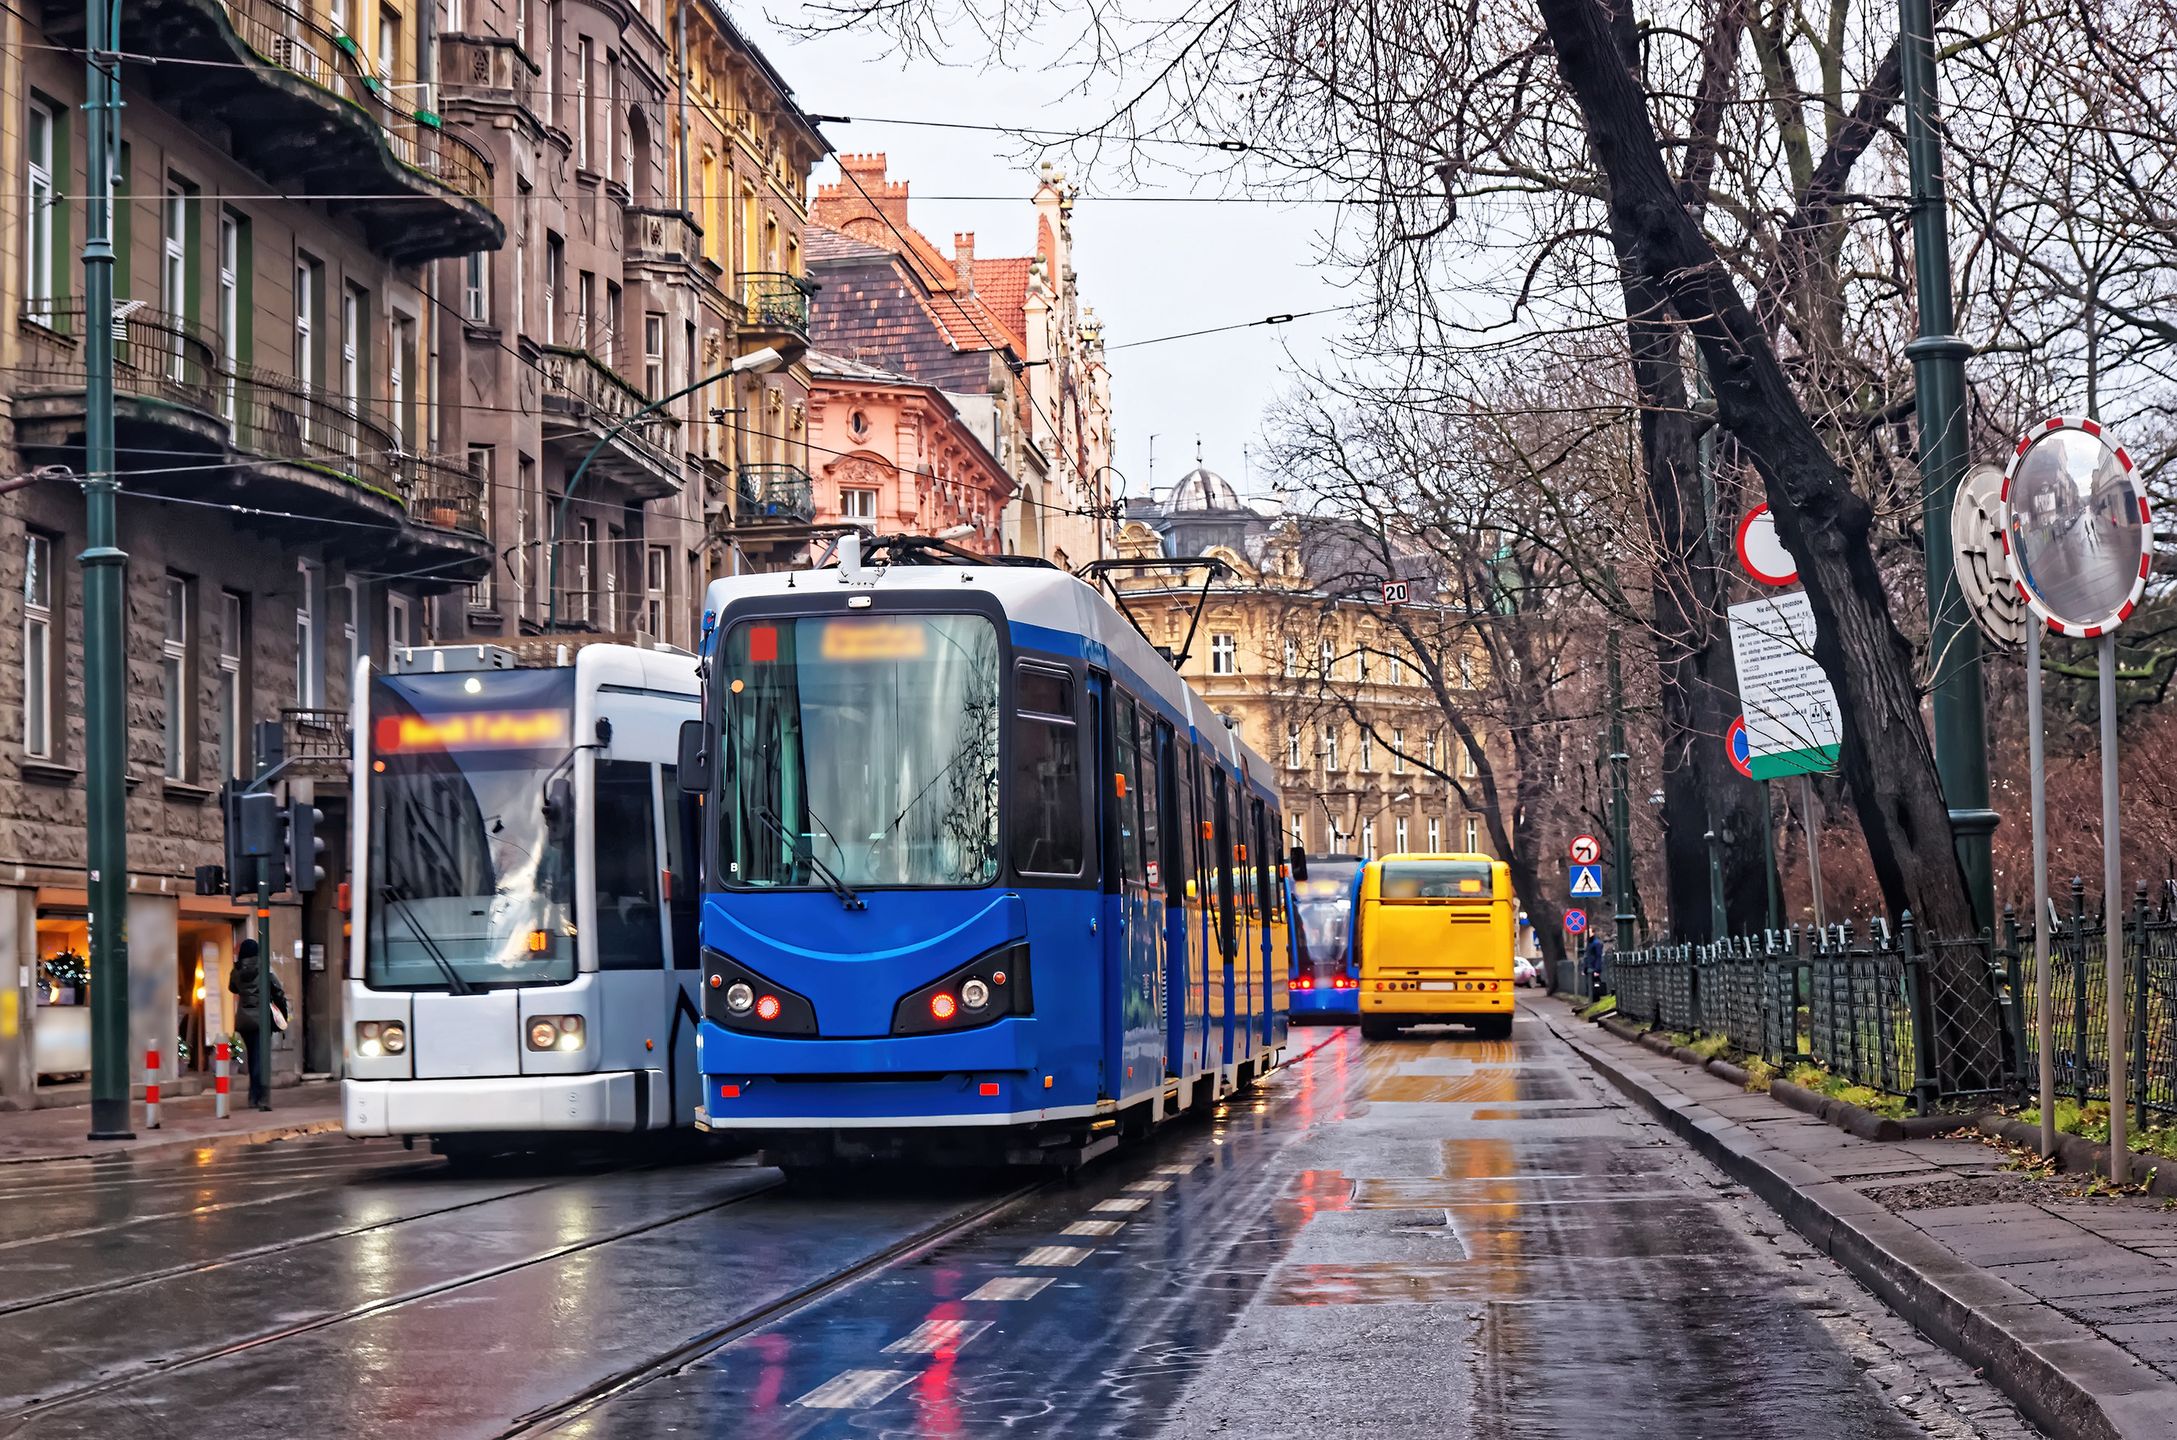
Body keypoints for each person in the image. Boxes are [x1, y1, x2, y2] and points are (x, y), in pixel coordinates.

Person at [227, 938, 286, 1110]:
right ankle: (262, 1098)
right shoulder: (264, 968)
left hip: (245, 1019)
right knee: (261, 1059)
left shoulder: (236, 970)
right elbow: (278, 990)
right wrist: (281, 1010)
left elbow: (232, 988)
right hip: (261, 1019)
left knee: (253, 1057)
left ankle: (253, 1096)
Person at [1583, 933, 1606, 999]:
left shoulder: (1596, 943)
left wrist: (1597, 970)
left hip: (1594, 968)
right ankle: (1592, 998)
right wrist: (1584, 968)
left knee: (1595, 984)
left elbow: (1598, 957)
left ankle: (1596, 998)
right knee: (1590, 985)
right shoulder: (1589, 943)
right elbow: (1587, 957)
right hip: (1589, 968)